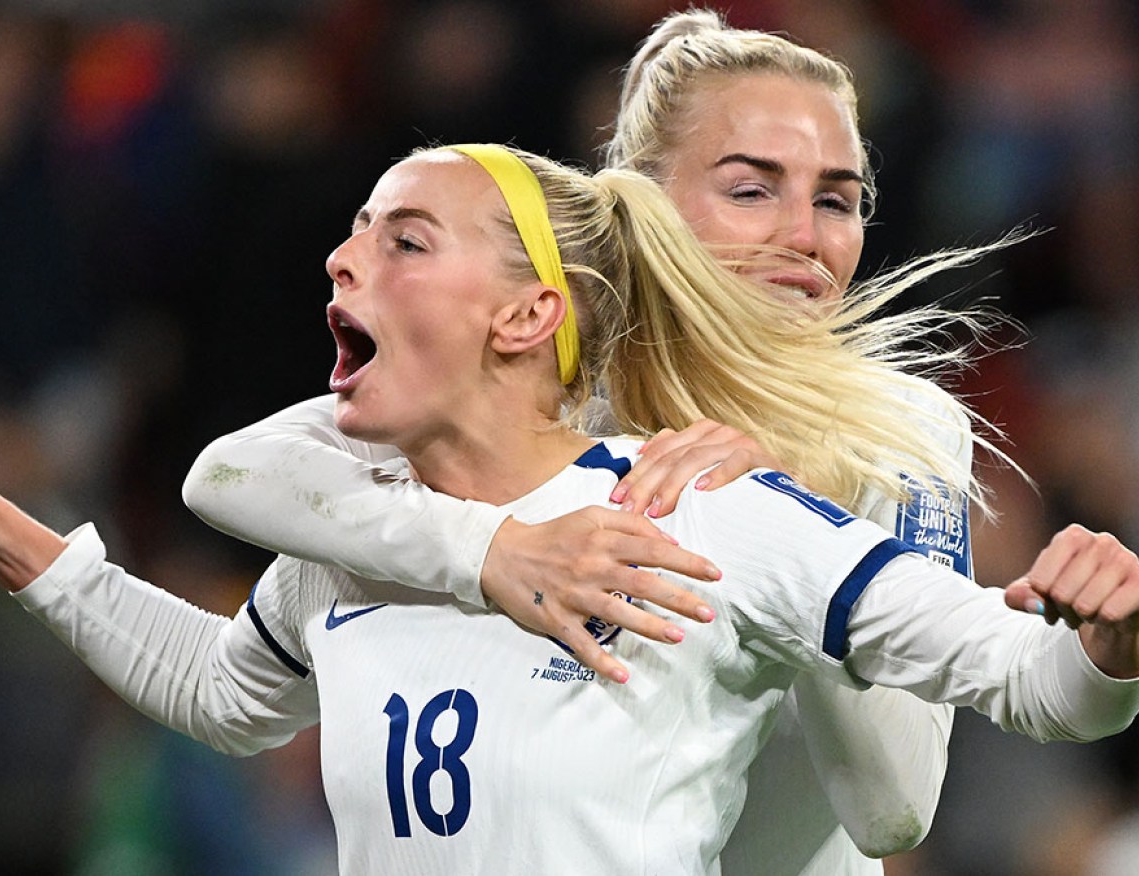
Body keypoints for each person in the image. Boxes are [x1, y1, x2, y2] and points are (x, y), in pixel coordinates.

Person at [0, 144, 1139, 874]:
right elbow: (227, 693)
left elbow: (1029, 683)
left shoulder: (701, 510)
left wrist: (1115, 640)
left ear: (524, 316)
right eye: (351, 235)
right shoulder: (360, 531)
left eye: (402, 241)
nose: (344, 261)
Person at [180, 9, 992, 871]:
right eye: (750, 189)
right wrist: (492, 550)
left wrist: (800, 517)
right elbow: (236, 473)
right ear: (638, 195)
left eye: (836, 199)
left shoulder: (897, 431)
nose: (805, 237)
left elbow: (894, 810)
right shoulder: (548, 396)